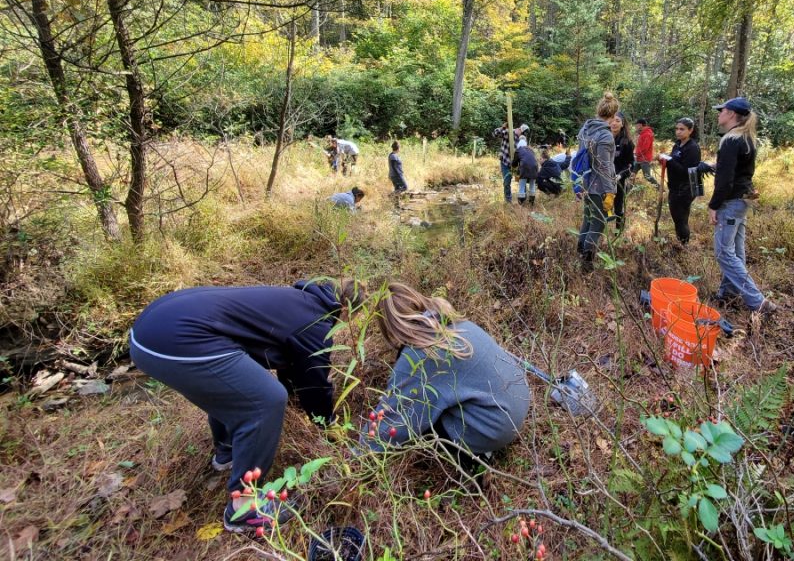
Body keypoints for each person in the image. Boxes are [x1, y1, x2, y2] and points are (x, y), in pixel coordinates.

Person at [128, 280, 342, 533]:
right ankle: (243, 508)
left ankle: (227, 452)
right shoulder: (317, 322)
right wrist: (328, 423)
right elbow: (313, 382)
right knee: (267, 399)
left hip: (150, 330)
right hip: (174, 340)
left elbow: (291, 365)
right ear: (347, 310)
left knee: (236, 383)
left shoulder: (295, 299)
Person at [345, 280, 530, 464]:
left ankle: (476, 455)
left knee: (422, 419)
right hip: (517, 404)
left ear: (391, 327)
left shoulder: (422, 354)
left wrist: (359, 454)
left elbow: (396, 416)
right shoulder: (458, 323)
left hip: (494, 429)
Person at [707, 98, 773, 313]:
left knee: (723, 253)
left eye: (722, 111)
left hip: (731, 201)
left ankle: (757, 302)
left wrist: (714, 205)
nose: (719, 114)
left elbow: (726, 180)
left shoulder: (731, 140)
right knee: (735, 250)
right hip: (742, 200)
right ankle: (728, 293)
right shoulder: (746, 139)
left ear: (732, 114)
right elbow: (737, 170)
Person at [576, 92, 618, 273]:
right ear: (613, 115)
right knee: (598, 223)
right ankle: (586, 264)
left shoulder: (585, 129)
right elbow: (604, 167)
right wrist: (609, 191)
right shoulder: (605, 136)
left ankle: (580, 250)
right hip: (599, 187)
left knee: (588, 218)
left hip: (585, 183)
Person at [658, 117, 703, 245]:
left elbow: (686, 171)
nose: (678, 132)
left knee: (681, 219)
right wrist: (665, 160)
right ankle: (681, 242)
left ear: (691, 130)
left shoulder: (692, 148)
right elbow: (674, 162)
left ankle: (684, 245)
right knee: (677, 218)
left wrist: (670, 161)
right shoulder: (677, 145)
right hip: (674, 187)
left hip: (685, 189)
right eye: (677, 129)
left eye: (682, 129)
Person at [609, 112, 635, 232]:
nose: (614, 123)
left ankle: (618, 233)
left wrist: (620, 175)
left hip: (618, 179)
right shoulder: (604, 138)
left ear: (623, 124)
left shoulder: (627, 142)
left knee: (618, 207)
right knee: (604, 205)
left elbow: (630, 164)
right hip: (603, 179)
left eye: (618, 120)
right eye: (612, 120)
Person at [491, 123, 528, 203]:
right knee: (507, 182)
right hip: (506, 162)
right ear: (519, 129)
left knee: (522, 181)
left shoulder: (523, 139)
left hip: (517, 164)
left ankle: (523, 200)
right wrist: (502, 128)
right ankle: (508, 201)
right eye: (522, 133)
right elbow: (494, 134)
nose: (522, 136)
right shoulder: (509, 132)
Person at [512, 135, 539, 205]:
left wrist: (514, 167)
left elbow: (514, 164)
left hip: (524, 168)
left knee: (522, 185)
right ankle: (531, 203)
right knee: (532, 185)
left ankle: (521, 204)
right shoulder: (531, 150)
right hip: (535, 167)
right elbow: (533, 159)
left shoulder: (518, 150)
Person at [632, 118, 659, 186]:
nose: (636, 127)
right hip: (639, 159)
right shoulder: (642, 134)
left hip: (644, 159)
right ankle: (627, 191)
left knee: (647, 176)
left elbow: (644, 148)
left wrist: (636, 154)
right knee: (632, 174)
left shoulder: (647, 134)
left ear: (640, 125)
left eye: (636, 125)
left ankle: (660, 189)